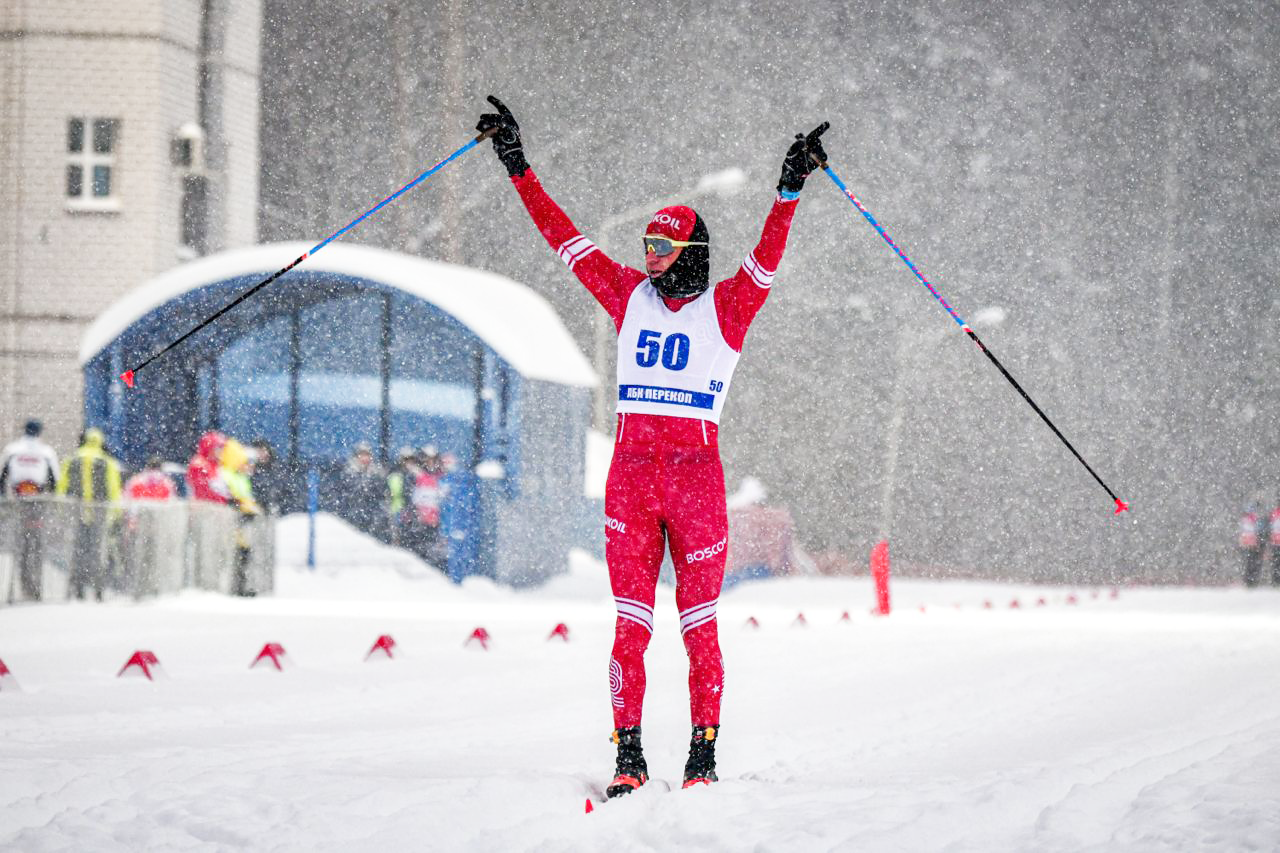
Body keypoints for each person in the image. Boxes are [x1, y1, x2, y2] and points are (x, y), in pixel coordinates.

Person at [477, 96, 827, 795]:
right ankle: (628, 756)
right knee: (631, 628)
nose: (650, 260)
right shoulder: (626, 293)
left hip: (696, 484)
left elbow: (765, 259)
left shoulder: (726, 305)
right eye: (646, 249)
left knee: (699, 628)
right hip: (632, 481)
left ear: (692, 254)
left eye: (663, 250)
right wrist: (518, 166)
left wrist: (788, 190)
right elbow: (565, 240)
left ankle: (702, 757)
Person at [57, 427, 122, 600]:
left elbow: (62, 487)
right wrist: (115, 514)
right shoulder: (107, 462)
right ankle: (98, 589)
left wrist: (61, 511)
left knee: (78, 550)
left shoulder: (72, 460)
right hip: (99, 513)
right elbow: (114, 490)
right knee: (98, 551)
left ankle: (78, 588)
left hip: (76, 513)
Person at [0, 419, 60, 600]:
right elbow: (55, 480)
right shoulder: (46, 452)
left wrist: (4, 499)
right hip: (38, 504)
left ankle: (17, 584)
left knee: (19, 542)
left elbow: (2, 477)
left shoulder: (12, 449)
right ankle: (34, 585)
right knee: (36, 543)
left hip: (17, 503)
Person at [340, 441, 388, 539]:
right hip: (353, 517)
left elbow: (380, 495)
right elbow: (348, 494)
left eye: (367, 455)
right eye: (362, 455)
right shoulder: (349, 473)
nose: (365, 458)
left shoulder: (376, 474)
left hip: (371, 518)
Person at [1238, 504, 1264, 587]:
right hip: (1251, 544)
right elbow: (1257, 532)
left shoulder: (1245, 519)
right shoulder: (1253, 519)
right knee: (1252, 563)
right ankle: (1250, 580)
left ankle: (1249, 580)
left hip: (1248, 544)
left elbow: (1243, 531)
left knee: (1249, 564)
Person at [1269, 498, 1280, 587]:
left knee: (1276, 562)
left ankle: (1276, 580)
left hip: (1275, 541)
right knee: (1276, 562)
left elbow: (1272, 527)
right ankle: (1276, 580)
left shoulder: (1274, 513)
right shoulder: (1274, 513)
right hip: (1276, 541)